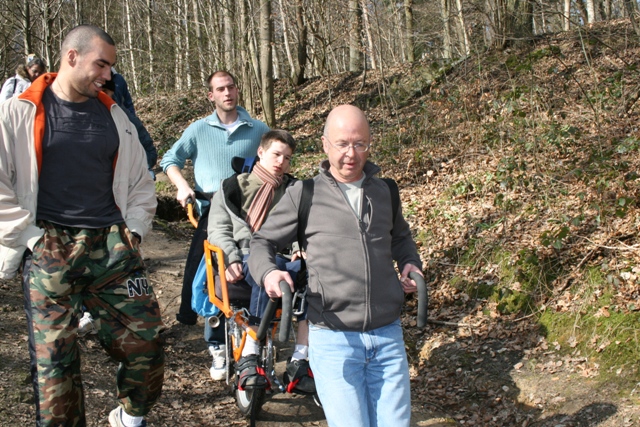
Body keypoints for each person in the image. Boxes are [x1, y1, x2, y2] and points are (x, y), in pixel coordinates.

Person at [0, 25, 163, 427]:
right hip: (49, 244)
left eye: (110, 66)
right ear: (71, 56)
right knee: (55, 367)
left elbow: (142, 182)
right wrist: (30, 237)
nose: (107, 74)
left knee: (148, 343)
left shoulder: (115, 116)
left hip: (112, 244)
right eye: (101, 64)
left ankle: (129, 414)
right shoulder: (20, 111)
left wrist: (136, 231)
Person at [249, 104, 424, 427]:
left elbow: (400, 238)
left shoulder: (386, 191)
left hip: (387, 334)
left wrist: (411, 264)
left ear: (370, 144)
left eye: (360, 144)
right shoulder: (305, 193)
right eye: (342, 143)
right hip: (333, 338)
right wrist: (269, 271)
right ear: (324, 144)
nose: (351, 153)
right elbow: (261, 242)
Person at [159, 70, 269, 381]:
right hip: (212, 208)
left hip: (251, 209)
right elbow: (170, 159)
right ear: (211, 96)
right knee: (206, 264)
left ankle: (258, 326)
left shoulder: (258, 129)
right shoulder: (198, 130)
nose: (227, 93)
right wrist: (182, 186)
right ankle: (213, 337)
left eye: (231, 87)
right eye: (220, 89)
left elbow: (275, 159)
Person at [207, 129, 314, 393]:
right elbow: (218, 229)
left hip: (284, 255)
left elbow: (306, 225)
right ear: (261, 152)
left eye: (288, 158)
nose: (282, 162)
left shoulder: (294, 189)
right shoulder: (232, 187)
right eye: (277, 154)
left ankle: (301, 357)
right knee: (271, 265)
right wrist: (230, 257)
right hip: (244, 254)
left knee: (317, 273)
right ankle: (250, 354)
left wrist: (303, 248)